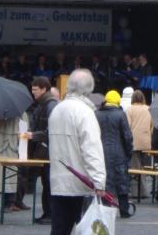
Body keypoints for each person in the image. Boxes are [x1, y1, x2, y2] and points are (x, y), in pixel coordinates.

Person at [48, 69, 106, 235]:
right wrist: (99, 180)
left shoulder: (57, 110)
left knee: (59, 229)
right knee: (87, 230)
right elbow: (91, 149)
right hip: (81, 183)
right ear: (89, 89)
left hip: (59, 180)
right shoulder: (85, 112)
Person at [21, 76, 58, 224]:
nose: (33, 92)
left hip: (48, 153)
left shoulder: (50, 106)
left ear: (43, 89)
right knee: (46, 183)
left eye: (35, 90)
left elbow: (51, 131)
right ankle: (47, 213)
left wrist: (33, 135)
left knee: (48, 183)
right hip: (44, 152)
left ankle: (50, 214)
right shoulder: (43, 105)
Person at [96, 90, 133, 218]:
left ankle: (106, 208)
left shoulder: (97, 114)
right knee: (121, 181)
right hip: (119, 153)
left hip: (101, 152)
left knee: (106, 181)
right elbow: (127, 136)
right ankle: (124, 209)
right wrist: (129, 152)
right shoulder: (120, 114)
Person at [126, 89, 152, 198]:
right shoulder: (149, 109)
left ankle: (138, 192)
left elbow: (127, 126)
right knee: (143, 166)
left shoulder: (129, 110)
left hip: (134, 142)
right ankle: (144, 190)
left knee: (135, 168)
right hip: (146, 141)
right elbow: (152, 126)